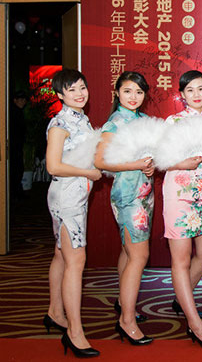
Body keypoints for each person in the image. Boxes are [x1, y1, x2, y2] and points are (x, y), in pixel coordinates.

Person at [162, 70, 202, 348]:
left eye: (200, 89)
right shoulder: (173, 122)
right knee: (181, 259)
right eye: (190, 90)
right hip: (178, 192)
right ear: (182, 95)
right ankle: (195, 323)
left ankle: (181, 298)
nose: (196, 94)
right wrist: (180, 163)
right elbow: (159, 160)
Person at [94, 71, 154, 345]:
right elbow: (100, 162)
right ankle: (126, 321)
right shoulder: (114, 123)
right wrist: (136, 165)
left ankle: (123, 304)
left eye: (139, 92)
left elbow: (148, 159)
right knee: (140, 256)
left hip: (145, 195)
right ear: (117, 93)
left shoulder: (143, 121)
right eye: (128, 91)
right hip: (128, 197)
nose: (133, 97)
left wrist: (149, 167)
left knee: (128, 252)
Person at [44, 69, 102, 357]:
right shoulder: (60, 124)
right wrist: (88, 172)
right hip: (67, 198)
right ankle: (74, 333)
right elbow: (53, 166)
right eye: (72, 90)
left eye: (82, 87)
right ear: (60, 95)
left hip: (76, 196)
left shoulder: (82, 119)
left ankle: (55, 312)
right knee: (76, 261)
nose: (80, 93)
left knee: (61, 255)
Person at [9, 90, 28, 203]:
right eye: (20, 99)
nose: (23, 101)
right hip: (12, 146)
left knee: (18, 169)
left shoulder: (18, 112)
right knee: (15, 169)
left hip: (17, 146)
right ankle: (14, 193)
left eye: (24, 100)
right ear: (15, 100)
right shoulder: (12, 112)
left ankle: (16, 191)